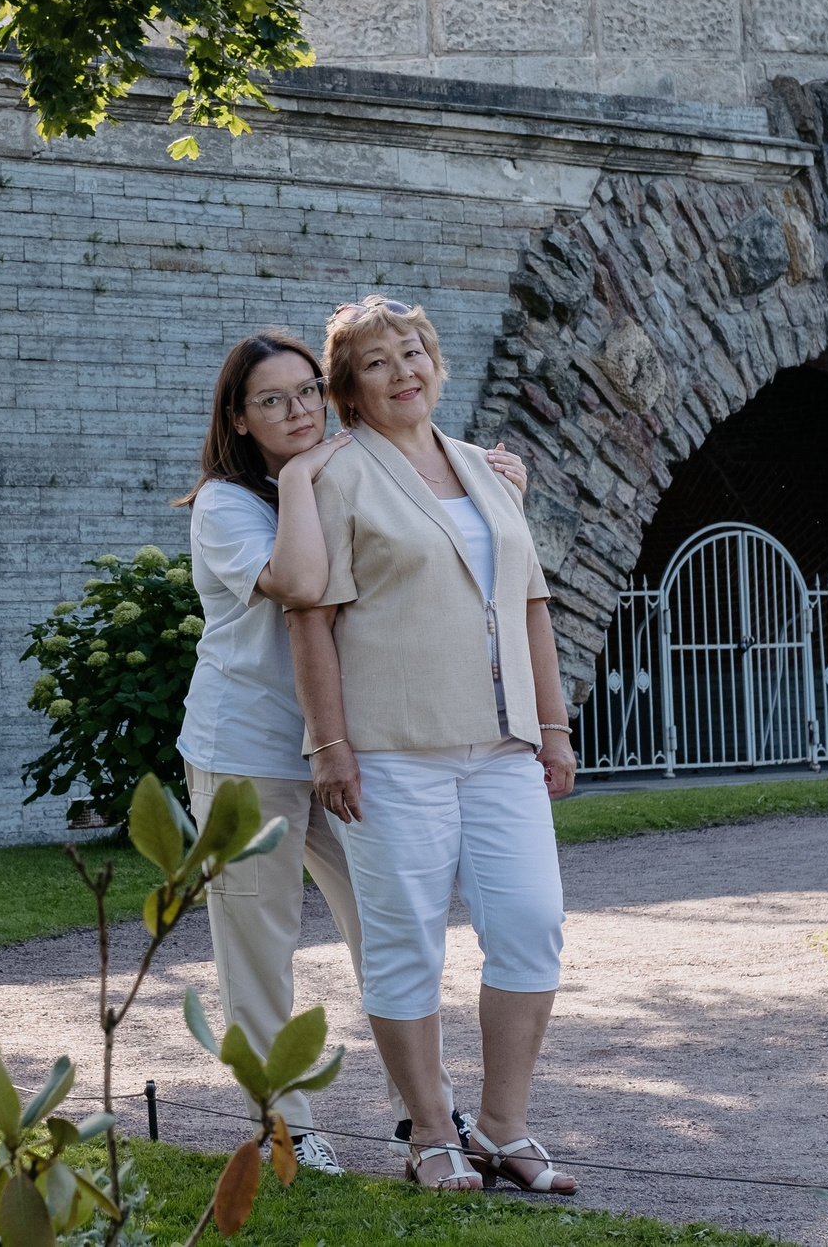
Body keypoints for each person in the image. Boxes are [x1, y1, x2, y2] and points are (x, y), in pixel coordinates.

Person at [177, 329, 528, 1176]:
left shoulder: (353, 470)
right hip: (249, 752)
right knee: (259, 943)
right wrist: (300, 477)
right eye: (272, 400)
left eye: (307, 391)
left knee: (391, 923)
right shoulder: (227, 505)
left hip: (343, 746)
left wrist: (495, 478)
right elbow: (299, 584)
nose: (297, 410)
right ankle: (283, 1124)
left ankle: (428, 1111)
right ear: (239, 416)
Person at [286, 295, 578, 1195]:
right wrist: (330, 744)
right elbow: (310, 616)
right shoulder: (340, 476)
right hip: (391, 751)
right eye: (377, 361)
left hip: (503, 747)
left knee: (531, 924)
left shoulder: (490, 468)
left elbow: (530, 602)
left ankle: (502, 1126)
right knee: (406, 941)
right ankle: (428, 1132)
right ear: (349, 389)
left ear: (436, 364)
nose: (403, 370)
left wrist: (554, 725)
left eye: (413, 351)